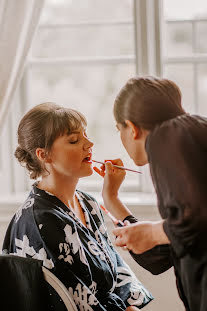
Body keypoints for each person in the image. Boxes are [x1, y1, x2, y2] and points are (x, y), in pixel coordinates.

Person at [2, 102, 153, 311]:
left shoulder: (88, 203)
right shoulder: (40, 221)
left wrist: (131, 306)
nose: (89, 143)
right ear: (44, 155)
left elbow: (116, 268)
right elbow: (70, 301)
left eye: (85, 135)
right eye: (74, 140)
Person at [93, 76, 207, 311]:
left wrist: (153, 232)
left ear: (131, 128)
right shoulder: (194, 130)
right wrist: (112, 199)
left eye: (118, 130)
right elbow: (163, 254)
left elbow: (196, 219)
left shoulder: (167, 135)